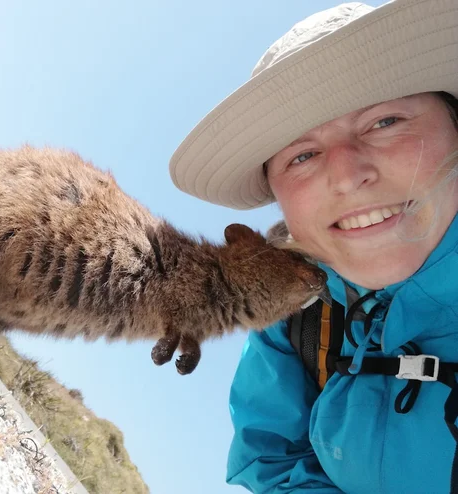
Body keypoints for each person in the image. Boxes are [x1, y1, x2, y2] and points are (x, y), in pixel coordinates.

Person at [169, 0, 458, 492]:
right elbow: (272, 460)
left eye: (385, 121)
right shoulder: (296, 317)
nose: (346, 176)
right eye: (302, 155)